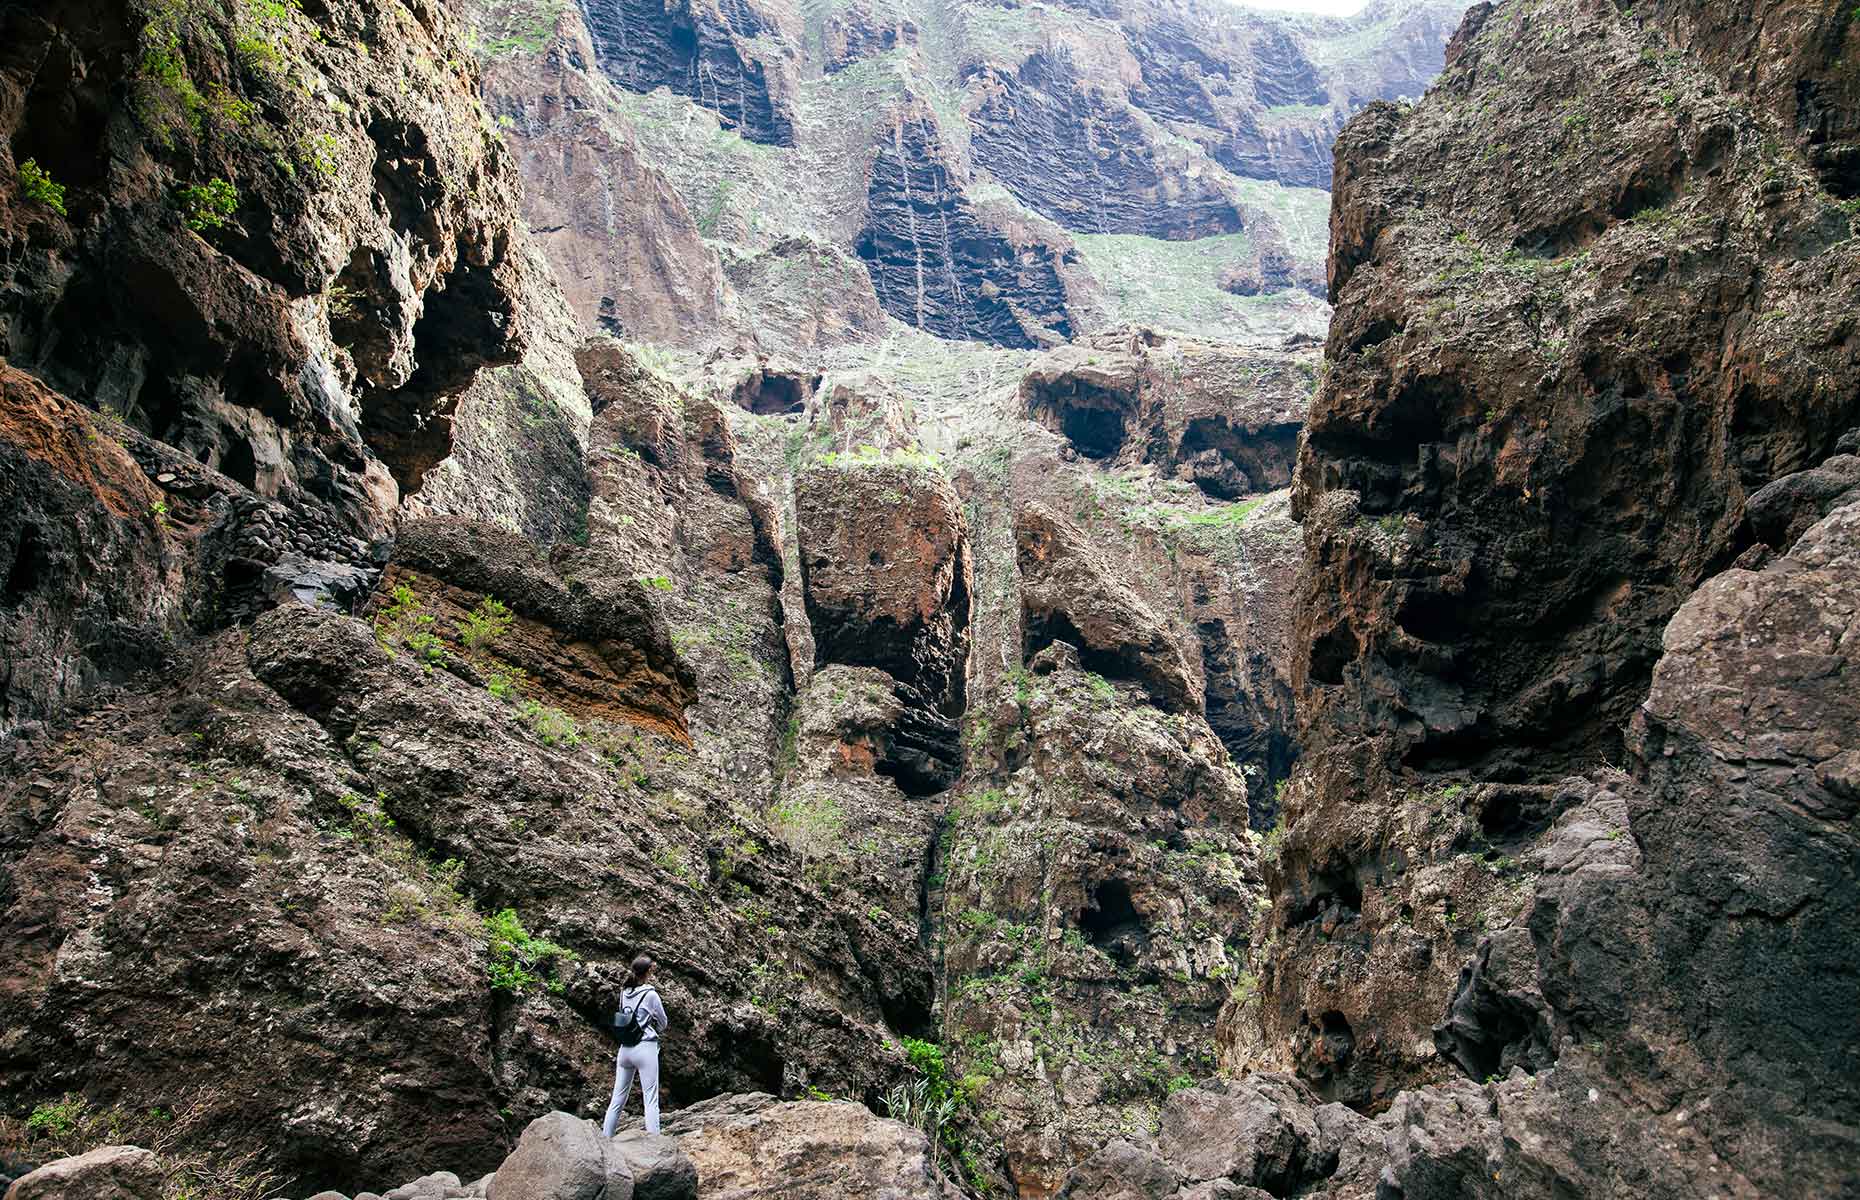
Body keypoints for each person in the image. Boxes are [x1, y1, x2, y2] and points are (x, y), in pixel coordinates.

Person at [602, 953, 669, 1137]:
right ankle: (655, 1142)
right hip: (645, 1048)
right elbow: (664, 1023)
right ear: (648, 971)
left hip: (625, 1049)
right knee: (650, 1098)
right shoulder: (651, 994)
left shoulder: (624, 992)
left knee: (617, 1099)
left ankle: (605, 1138)